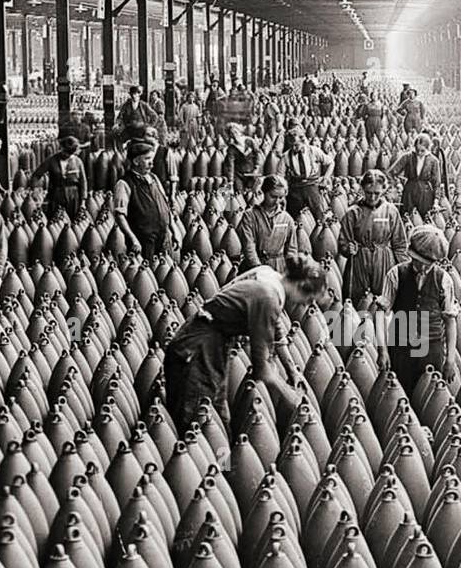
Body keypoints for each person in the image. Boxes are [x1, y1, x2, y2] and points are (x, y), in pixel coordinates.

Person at [164, 256, 326, 433]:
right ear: (300, 286)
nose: (306, 304)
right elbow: (263, 371)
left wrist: (291, 370)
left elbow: (275, 326)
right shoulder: (268, 297)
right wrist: (294, 400)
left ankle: (223, 459)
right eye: (309, 299)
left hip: (209, 344)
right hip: (196, 351)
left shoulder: (268, 275)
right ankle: (216, 458)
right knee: (199, 425)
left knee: (218, 420)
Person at [374, 224, 459, 393]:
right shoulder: (395, 274)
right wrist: (382, 350)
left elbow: (450, 321)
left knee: (430, 398)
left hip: (431, 350)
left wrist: (450, 359)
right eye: (419, 261)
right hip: (401, 349)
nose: (423, 267)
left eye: (428, 263)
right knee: (398, 397)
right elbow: (380, 314)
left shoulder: (444, 280)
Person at [338, 170, 408, 311]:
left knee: (384, 301)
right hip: (359, 261)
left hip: (384, 261)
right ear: (363, 189)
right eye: (369, 193)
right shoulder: (353, 213)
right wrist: (348, 248)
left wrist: (404, 270)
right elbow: (343, 242)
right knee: (358, 301)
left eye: (377, 193)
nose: (372, 197)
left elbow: (400, 244)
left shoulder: (391, 211)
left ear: (383, 190)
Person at [112, 140, 172, 261]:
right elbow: (120, 215)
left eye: (151, 158)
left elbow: (166, 205)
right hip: (142, 241)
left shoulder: (154, 178)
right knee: (146, 276)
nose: (152, 163)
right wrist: (133, 239)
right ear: (136, 161)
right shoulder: (124, 183)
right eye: (147, 159)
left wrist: (173, 230)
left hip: (163, 236)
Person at [238, 175, 304, 274]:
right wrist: (259, 269)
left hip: (279, 268)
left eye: (280, 197)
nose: (277, 201)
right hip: (255, 268)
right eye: (273, 196)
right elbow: (248, 246)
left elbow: (291, 249)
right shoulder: (250, 216)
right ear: (264, 192)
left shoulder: (287, 219)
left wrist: (292, 271)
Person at [30, 134, 89, 221]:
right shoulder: (52, 160)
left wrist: (83, 201)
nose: (67, 155)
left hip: (73, 197)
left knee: (73, 223)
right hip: (56, 196)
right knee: (55, 222)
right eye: (65, 152)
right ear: (61, 148)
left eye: (70, 154)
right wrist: (36, 191)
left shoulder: (78, 162)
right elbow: (36, 175)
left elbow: (83, 182)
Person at [283, 127, 333, 222]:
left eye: (296, 145)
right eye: (291, 146)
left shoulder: (314, 151)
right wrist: (284, 190)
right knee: (292, 218)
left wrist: (325, 178)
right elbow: (279, 176)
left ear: (302, 140)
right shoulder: (286, 156)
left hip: (312, 188)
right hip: (295, 189)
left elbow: (331, 163)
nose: (294, 148)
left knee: (319, 217)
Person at [387, 133, 441, 219]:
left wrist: (436, 201)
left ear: (427, 149)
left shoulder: (433, 161)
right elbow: (391, 172)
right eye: (417, 150)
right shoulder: (407, 157)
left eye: (422, 151)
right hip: (409, 193)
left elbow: (436, 183)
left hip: (425, 195)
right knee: (407, 218)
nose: (419, 153)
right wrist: (397, 184)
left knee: (424, 219)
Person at [227, 124, 263, 198]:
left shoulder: (250, 141)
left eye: (235, 132)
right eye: (232, 133)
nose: (234, 135)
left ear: (240, 131)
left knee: (252, 195)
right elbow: (230, 165)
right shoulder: (232, 148)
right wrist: (230, 181)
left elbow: (257, 155)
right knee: (239, 195)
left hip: (252, 174)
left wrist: (257, 168)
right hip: (239, 175)